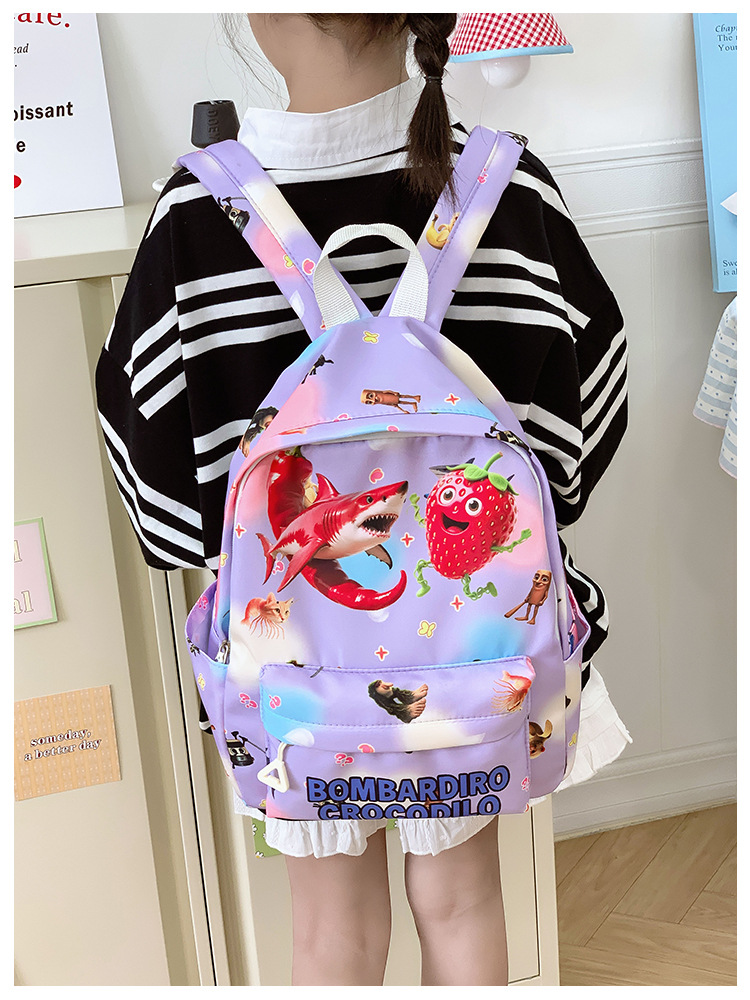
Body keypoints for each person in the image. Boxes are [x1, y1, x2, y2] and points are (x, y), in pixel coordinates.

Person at [96, 13, 631, 987]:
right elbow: (580, 431)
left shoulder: (194, 217)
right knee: (464, 905)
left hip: (293, 672)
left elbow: (158, 489)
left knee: (329, 935)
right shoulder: (511, 188)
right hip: (479, 663)